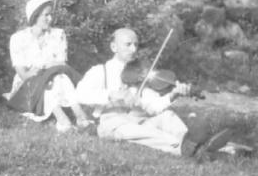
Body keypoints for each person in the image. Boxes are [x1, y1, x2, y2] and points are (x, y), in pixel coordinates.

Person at [75, 28, 233, 158]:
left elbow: (152, 108)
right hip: (112, 122)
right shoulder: (100, 71)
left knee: (167, 117)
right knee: (134, 131)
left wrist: (173, 95)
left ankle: (202, 146)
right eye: (128, 45)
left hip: (139, 120)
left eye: (136, 45)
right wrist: (110, 95)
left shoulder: (141, 74)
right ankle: (184, 147)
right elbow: (79, 94)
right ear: (113, 47)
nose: (133, 49)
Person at [6, 0, 91, 132]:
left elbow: (61, 65)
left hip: (56, 78)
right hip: (27, 86)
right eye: (46, 15)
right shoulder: (18, 38)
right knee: (50, 79)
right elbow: (23, 75)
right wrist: (43, 71)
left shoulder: (58, 34)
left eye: (50, 14)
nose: (50, 19)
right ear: (34, 15)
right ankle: (68, 117)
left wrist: (43, 69)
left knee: (58, 76)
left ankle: (75, 114)